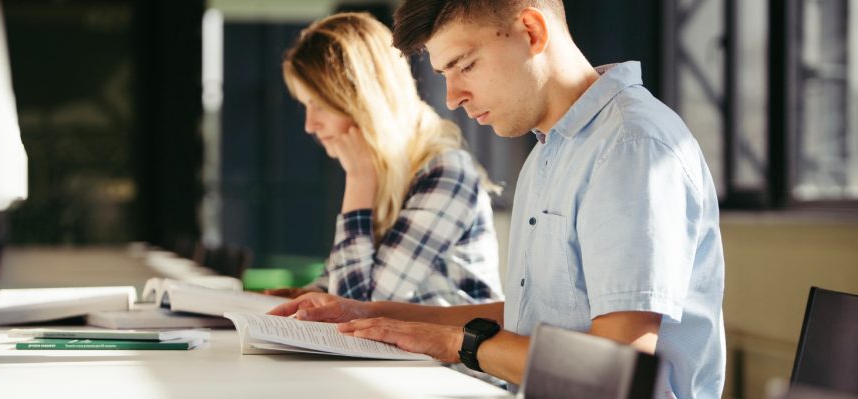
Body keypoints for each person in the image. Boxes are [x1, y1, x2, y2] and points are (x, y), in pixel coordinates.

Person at [270, 1, 726, 398]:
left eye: (465, 65)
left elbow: (618, 368)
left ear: (532, 31)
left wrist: (458, 343)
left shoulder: (629, 147)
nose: (452, 99)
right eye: (444, 75)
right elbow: (532, 316)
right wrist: (373, 312)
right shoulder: (554, 149)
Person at [266, 12, 503, 306]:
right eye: (305, 106)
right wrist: (303, 295)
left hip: (446, 353)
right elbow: (338, 282)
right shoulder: (387, 173)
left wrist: (359, 181)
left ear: (361, 100)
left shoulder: (447, 172)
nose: (310, 125)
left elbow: (359, 306)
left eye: (320, 105)